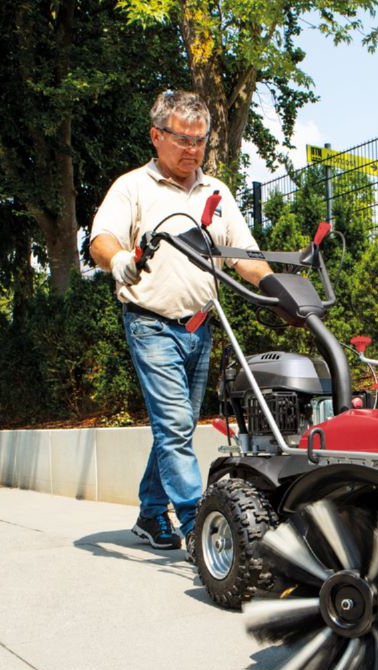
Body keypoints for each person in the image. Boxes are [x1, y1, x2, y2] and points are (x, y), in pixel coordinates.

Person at [90, 90, 273, 552]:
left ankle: (152, 515)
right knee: (173, 426)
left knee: (179, 426)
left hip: (200, 327)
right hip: (150, 323)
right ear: (157, 136)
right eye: (182, 139)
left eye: (200, 140)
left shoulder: (216, 192)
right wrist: (117, 262)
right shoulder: (133, 187)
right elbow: (102, 238)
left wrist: (279, 291)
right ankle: (200, 526)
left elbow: (244, 256)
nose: (193, 149)